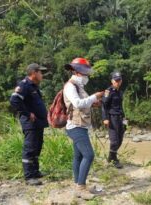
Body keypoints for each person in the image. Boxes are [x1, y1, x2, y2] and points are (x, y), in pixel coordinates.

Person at [63, 57, 104, 199]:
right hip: (75, 126)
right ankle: (81, 187)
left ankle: (78, 185)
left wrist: (93, 103)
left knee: (79, 156)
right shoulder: (70, 86)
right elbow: (78, 103)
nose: (87, 75)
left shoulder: (79, 86)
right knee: (89, 155)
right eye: (86, 72)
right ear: (78, 72)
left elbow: (83, 104)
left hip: (80, 125)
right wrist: (94, 97)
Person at [10, 63, 48, 186]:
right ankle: (29, 176)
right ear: (33, 73)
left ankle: (35, 171)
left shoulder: (34, 87)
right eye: (40, 72)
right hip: (30, 124)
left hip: (38, 123)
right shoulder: (24, 85)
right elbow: (14, 100)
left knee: (37, 147)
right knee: (30, 148)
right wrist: (27, 113)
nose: (42, 75)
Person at [102, 71, 127, 169]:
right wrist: (105, 118)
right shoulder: (108, 91)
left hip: (120, 117)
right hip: (112, 118)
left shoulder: (120, 92)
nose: (118, 82)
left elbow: (121, 107)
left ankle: (110, 157)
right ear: (112, 81)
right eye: (116, 80)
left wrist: (125, 119)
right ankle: (114, 160)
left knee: (120, 139)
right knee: (114, 140)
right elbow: (104, 106)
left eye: (119, 80)